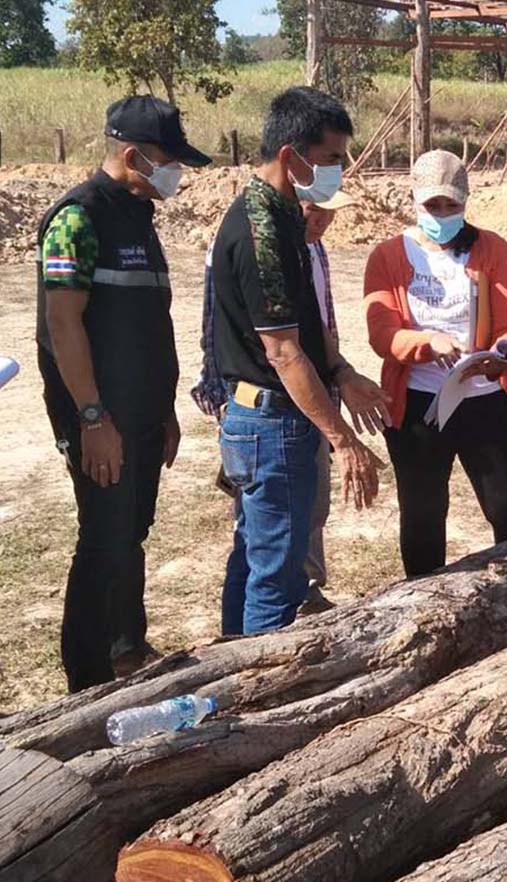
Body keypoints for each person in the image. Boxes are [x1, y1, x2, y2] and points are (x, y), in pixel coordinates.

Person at [36, 96, 210, 691]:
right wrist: (92, 418)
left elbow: (149, 324)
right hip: (99, 419)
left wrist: (164, 411)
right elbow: (62, 325)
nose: (177, 172)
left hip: (142, 415)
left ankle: (126, 647)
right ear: (134, 156)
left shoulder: (140, 217)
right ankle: (85, 682)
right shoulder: (77, 219)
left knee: (130, 532)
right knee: (103, 540)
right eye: (170, 160)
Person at [212, 86, 389, 636]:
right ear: (292, 156)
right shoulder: (261, 231)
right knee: (278, 577)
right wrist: (343, 440)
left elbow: (306, 332)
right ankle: (256, 679)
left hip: (265, 418)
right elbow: (284, 352)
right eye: (332, 158)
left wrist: (341, 373)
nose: (339, 170)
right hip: (273, 424)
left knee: (254, 558)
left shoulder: (282, 219)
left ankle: (230, 663)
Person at [364, 149, 507, 577]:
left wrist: (502, 355)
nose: (441, 214)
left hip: (485, 400)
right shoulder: (388, 256)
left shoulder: (492, 249)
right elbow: (382, 334)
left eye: (450, 205)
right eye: (432, 205)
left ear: (465, 201)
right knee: (422, 513)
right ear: (414, 200)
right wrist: (427, 343)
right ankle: (423, 592)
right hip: (419, 404)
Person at [193, 190, 357, 616]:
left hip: (304, 407)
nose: (322, 221)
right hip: (268, 413)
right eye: (315, 209)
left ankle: (296, 606)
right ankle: (261, 647)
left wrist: (341, 375)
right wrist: (227, 405)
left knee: (287, 533)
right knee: (270, 563)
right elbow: (217, 329)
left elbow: (320, 327)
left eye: (330, 213)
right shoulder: (258, 242)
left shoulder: (312, 250)